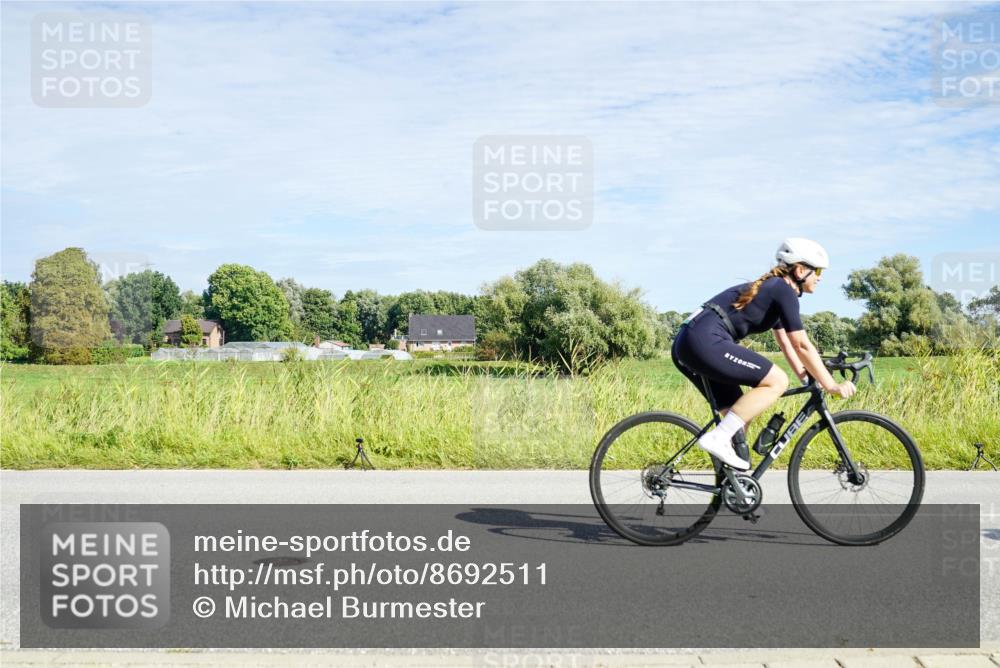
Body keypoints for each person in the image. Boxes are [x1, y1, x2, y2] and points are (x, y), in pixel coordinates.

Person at [671, 238, 857, 470]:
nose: (820, 277)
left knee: (737, 419)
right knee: (777, 380)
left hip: (690, 342)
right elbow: (802, 344)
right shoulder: (782, 289)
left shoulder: (774, 292)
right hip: (704, 340)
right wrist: (831, 385)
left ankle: (733, 489)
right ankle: (717, 439)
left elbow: (788, 346)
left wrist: (808, 379)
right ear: (800, 270)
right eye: (817, 270)